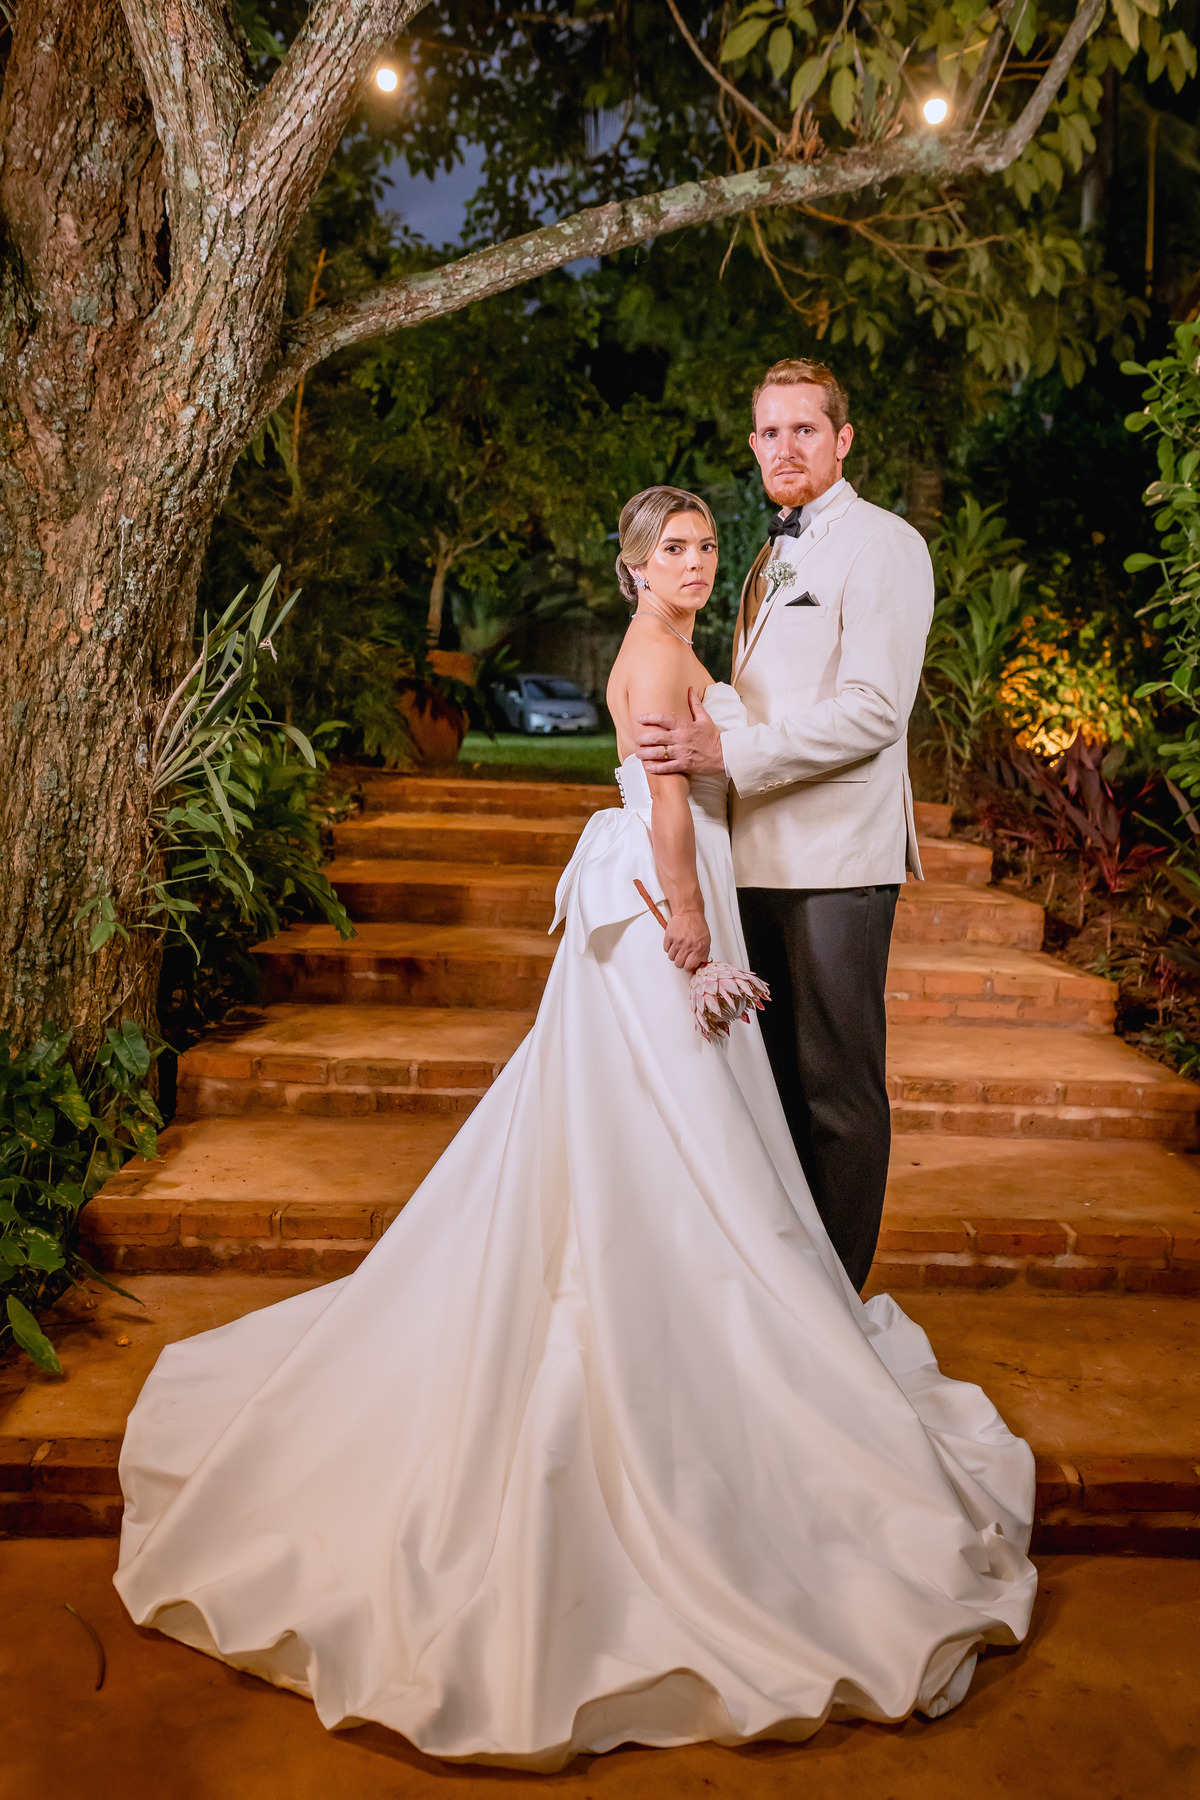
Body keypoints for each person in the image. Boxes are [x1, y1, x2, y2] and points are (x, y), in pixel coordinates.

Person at [114, 487, 1034, 1773]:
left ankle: (698, 1305)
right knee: (673, 1133)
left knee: (691, 1136)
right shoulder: (651, 655)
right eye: (673, 550)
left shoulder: (687, 636)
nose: (696, 563)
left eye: (705, 546)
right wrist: (689, 925)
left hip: (695, 879)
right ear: (631, 567)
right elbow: (663, 802)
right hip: (673, 902)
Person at [635, 362, 934, 1293]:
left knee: (837, 1090)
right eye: (769, 432)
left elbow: (876, 709)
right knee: (775, 1088)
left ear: (843, 440)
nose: (785, 448)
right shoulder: (771, 556)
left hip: (837, 858)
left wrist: (730, 753)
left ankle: (836, 1303)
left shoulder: (884, 544)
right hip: (757, 856)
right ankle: (790, 1296)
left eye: (805, 429)